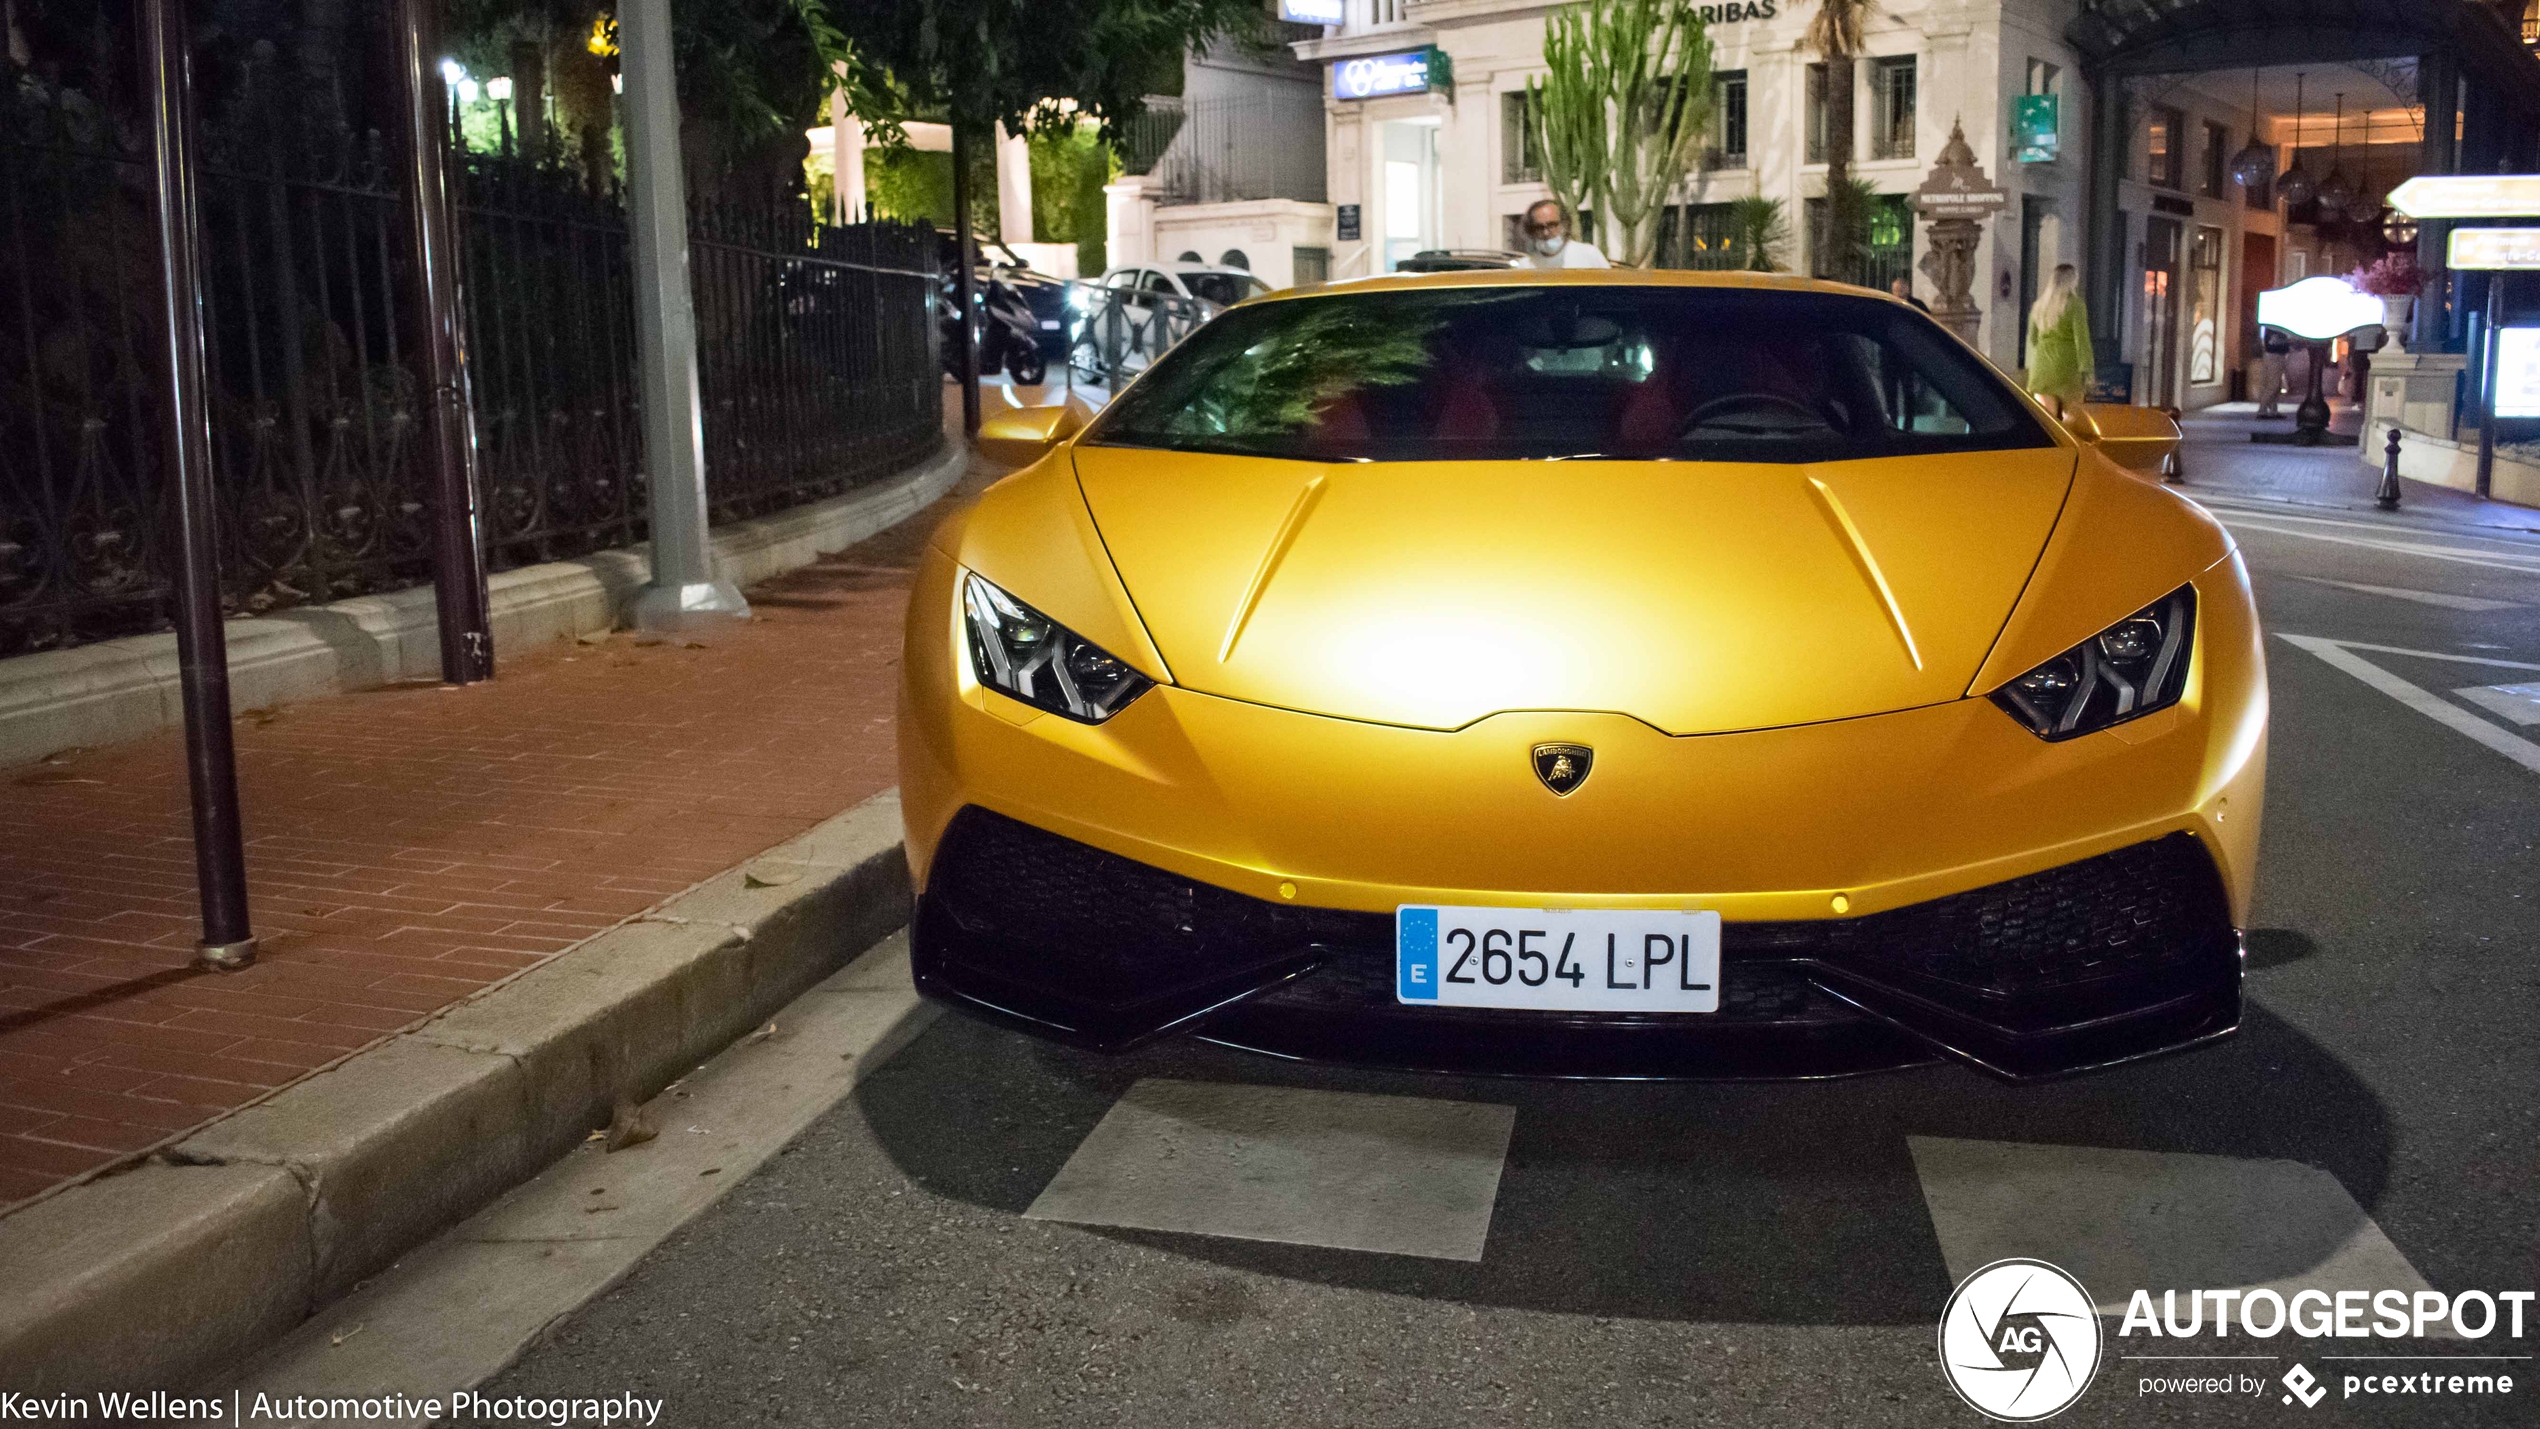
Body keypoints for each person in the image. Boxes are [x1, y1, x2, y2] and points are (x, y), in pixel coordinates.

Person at [2025, 263, 2093, 420]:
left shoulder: (2038, 306)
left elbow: (2034, 338)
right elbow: (2082, 341)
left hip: (2042, 370)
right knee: (2071, 423)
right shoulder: (2076, 305)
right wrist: (2087, 370)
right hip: (2068, 370)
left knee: (2047, 424)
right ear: (2072, 281)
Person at [1515, 199, 1610, 271]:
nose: (1546, 232)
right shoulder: (1526, 266)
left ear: (1564, 223)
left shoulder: (1589, 254)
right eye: (1539, 227)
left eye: (1552, 225)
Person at [2256, 326, 2290, 418]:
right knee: (2273, 385)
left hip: (2275, 355)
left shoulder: (2272, 327)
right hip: (2274, 356)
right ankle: (2262, 409)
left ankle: (2273, 410)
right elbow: (2274, 341)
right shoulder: (2274, 328)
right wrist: (2289, 341)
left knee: (2276, 385)